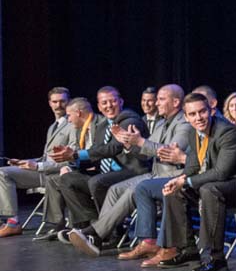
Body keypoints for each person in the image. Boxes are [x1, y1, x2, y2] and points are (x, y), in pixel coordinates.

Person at [68, 84, 190, 256]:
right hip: (155, 174)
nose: (156, 103)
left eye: (161, 99)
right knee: (114, 189)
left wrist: (139, 141)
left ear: (176, 102)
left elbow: (168, 152)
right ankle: (100, 238)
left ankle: (93, 233)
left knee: (133, 190)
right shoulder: (163, 124)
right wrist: (128, 143)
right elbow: (145, 154)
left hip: (172, 176)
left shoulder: (184, 124)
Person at [156, 92, 236, 271]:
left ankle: (215, 258)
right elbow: (192, 165)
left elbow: (222, 172)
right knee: (175, 191)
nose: (198, 118)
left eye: (202, 112)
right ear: (186, 117)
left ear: (211, 111)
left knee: (209, 189)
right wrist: (179, 180)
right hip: (220, 184)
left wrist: (187, 181)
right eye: (193, 114)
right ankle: (188, 250)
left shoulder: (227, 132)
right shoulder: (194, 133)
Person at [49, 86, 150, 241]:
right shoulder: (103, 126)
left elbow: (113, 148)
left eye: (113, 101)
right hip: (108, 172)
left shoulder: (129, 120)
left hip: (132, 171)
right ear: (99, 106)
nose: (109, 106)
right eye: (104, 103)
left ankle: (112, 231)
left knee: (98, 182)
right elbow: (97, 152)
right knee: (68, 179)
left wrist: (75, 154)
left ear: (121, 101)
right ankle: (85, 228)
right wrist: (72, 161)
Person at [0, 87, 76, 237]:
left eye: (62, 101)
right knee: (3, 172)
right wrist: (24, 162)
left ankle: (12, 223)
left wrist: (38, 166)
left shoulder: (72, 124)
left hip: (54, 173)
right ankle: (9, 220)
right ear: (49, 103)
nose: (58, 105)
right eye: (55, 101)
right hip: (42, 170)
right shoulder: (52, 127)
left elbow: (71, 157)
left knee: (2, 173)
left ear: (69, 102)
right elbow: (45, 157)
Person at [36, 97, 108, 240]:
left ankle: (91, 227)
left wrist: (71, 159)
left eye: (69, 115)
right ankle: (82, 226)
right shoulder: (79, 129)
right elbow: (80, 156)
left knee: (69, 180)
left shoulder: (101, 125)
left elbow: (100, 153)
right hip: (90, 170)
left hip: (105, 172)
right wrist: (71, 164)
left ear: (79, 113)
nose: (68, 120)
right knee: (64, 178)